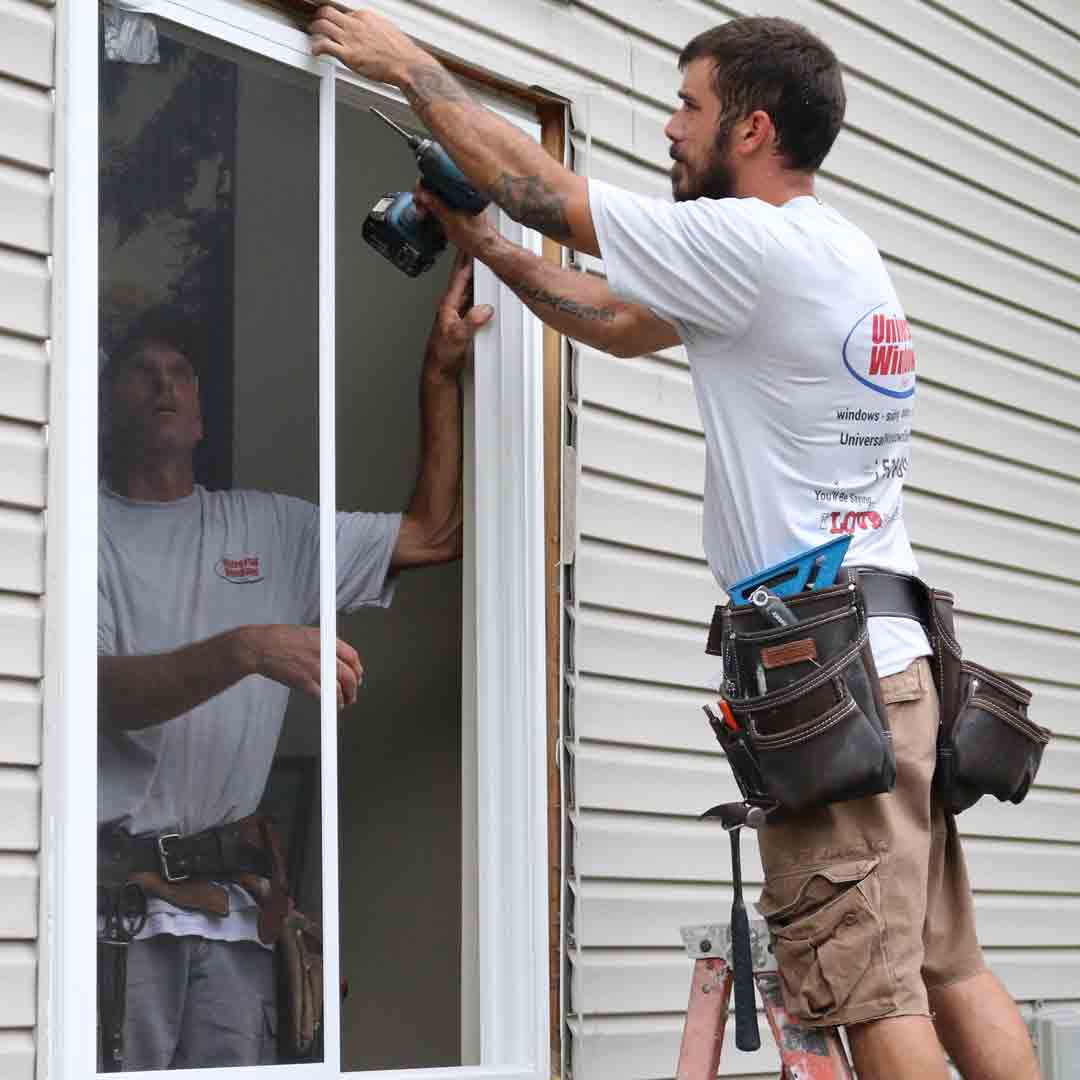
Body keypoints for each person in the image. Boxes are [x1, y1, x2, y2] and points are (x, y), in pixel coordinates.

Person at [308, 11, 1041, 1080]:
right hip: (897, 663)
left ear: (750, 128)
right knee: (947, 967)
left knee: (870, 994)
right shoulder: (832, 253)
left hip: (831, 676)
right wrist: (480, 249)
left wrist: (408, 65)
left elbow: (542, 189)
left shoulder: (750, 240)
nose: (668, 127)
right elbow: (609, 319)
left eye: (687, 107)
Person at [97, 253, 492, 1070]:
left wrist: (438, 376)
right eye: (142, 372)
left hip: (237, 916)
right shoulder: (83, 531)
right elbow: (100, 693)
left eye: (181, 374)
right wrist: (249, 647)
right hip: (121, 917)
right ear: (107, 402)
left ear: (203, 414)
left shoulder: (270, 530)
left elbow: (433, 534)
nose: (165, 385)